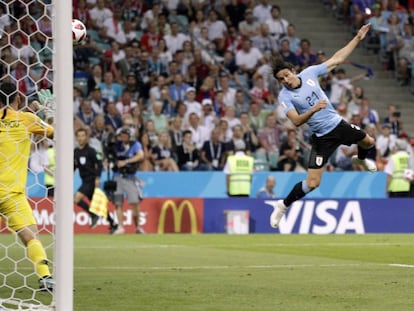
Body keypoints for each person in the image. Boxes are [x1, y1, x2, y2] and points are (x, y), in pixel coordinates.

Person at [270, 24, 377, 229]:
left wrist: (357, 37)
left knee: (369, 142)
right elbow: (297, 121)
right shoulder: (284, 96)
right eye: (281, 79)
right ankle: (282, 205)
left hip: (338, 125)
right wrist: (313, 110)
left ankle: (361, 161)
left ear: (293, 71)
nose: (285, 80)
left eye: (286, 75)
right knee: (312, 184)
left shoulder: (310, 73)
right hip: (321, 137)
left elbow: (337, 59)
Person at [0, 83, 54, 291]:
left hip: (11, 193)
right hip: (11, 195)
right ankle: (45, 278)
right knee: (31, 236)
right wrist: (47, 112)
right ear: (19, 99)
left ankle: (46, 278)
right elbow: (55, 133)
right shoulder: (27, 120)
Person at [74, 128, 117, 232]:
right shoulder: (76, 151)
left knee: (76, 199)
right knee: (97, 205)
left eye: (82, 136)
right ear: (76, 138)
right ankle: (113, 223)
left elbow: (99, 164)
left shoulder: (91, 151)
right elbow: (74, 166)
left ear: (86, 137)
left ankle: (93, 215)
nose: (80, 138)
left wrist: (98, 177)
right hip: (84, 180)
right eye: (79, 136)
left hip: (91, 180)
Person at [111, 128, 145, 234]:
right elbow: (111, 157)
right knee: (118, 202)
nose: (123, 137)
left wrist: (126, 161)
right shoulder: (116, 146)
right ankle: (121, 226)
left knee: (135, 202)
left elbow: (140, 155)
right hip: (117, 176)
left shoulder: (135, 145)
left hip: (130, 177)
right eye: (122, 135)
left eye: (125, 135)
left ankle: (138, 227)